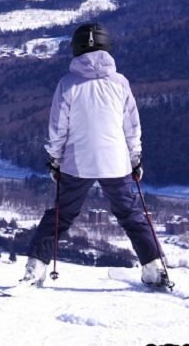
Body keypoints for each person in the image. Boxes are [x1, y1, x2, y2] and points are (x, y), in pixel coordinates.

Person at [21, 22, 166, 288]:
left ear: (75, 48)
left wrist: (54, 159)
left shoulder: (68, 84)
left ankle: (35, 268)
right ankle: (155, 268)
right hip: (116, 162)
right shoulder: (120, 83)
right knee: (131, 215)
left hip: (77, 163)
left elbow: (57, 128)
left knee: (60, 216)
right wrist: (135, 158)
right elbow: (131, 126)